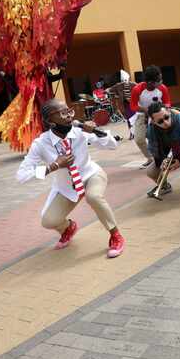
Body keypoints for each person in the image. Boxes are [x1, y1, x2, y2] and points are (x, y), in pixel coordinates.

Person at [16, 98, 125, 256]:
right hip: (67, 187)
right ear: (51, 121)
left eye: (69, 111)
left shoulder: (80, 131)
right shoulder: (41, 144)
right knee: (48, 221)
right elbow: (21, 176)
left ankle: (116, 235)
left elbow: (112, 145)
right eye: (63, 113)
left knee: (93, 197)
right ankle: (68, 228)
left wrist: (96, 131)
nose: (69, 116)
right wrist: (52, 166)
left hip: (91, 175)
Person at [130, 65, 172, 168]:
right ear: (150, 82)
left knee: (162, 138)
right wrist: (145, 110)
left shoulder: (162, 88)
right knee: (139, 139)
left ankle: (167, 156)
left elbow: (167, 102)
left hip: (159, 115)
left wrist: (165, 109)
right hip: (143, 116)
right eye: (159, 80)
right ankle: (150, 158)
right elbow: (133, 106)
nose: (161, 82)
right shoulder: (137, 89)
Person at [108, 70, 135, 140]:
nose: (125, 81)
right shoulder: (119, 85)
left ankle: (135, 133)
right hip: (126, 105)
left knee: (135, 119)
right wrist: (111, 92)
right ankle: (132, 133)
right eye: (124, 80)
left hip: (134, 104)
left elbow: (140, 88)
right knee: (129, 120)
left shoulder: (133, 84)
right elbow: (110, 89)